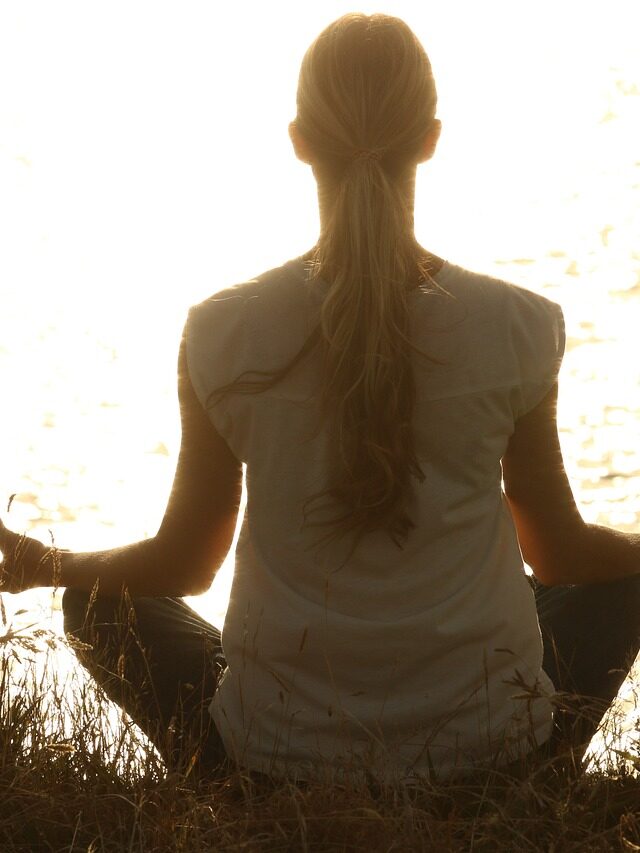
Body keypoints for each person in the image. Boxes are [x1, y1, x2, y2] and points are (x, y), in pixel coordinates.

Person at [1, 13, 639, 783]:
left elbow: (185, 562)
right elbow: (558, 550)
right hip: (493, 757)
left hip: (276, 760)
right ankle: (519, 769)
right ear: (431, 137)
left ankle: (235, 781)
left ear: (299, 139)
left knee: (95, 602)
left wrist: (45, 562)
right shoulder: (519, 325)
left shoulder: (220, 331)